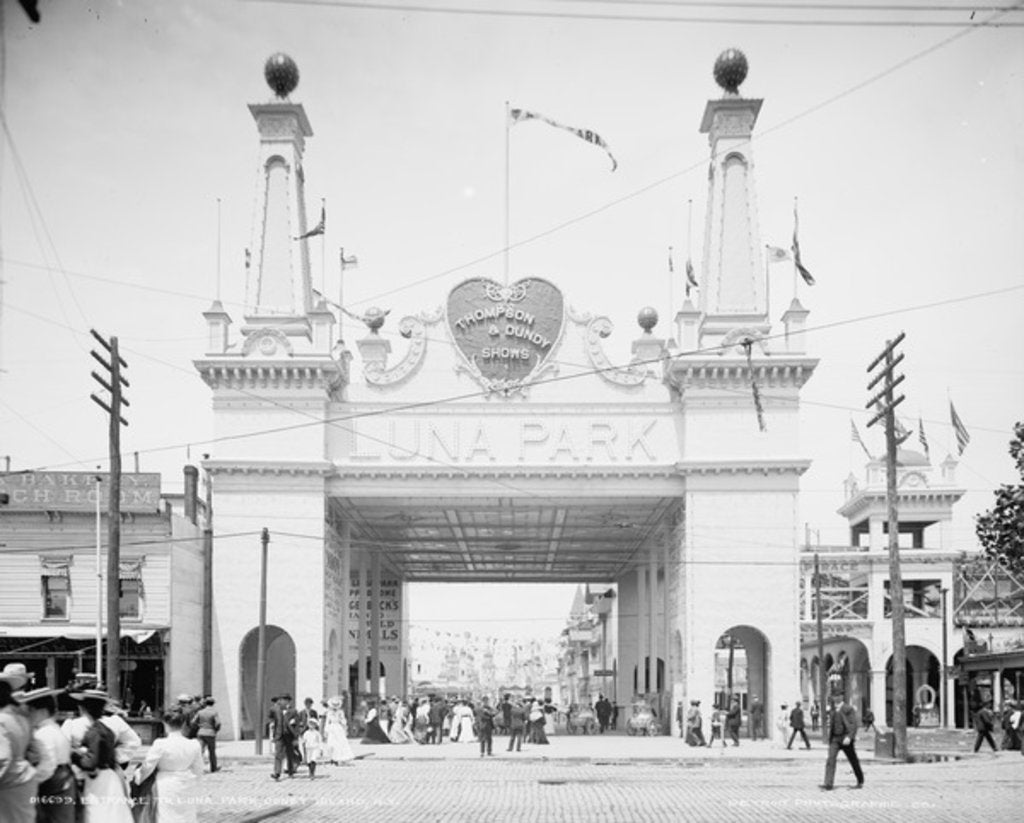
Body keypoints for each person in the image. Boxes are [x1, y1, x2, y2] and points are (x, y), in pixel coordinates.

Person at [69, 688, 134, 823]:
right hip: (108, 776)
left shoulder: (95, 731)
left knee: (98, 814)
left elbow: (90, 762)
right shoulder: (106, 728)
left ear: (84, 709)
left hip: (99, 778)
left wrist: (74, 755)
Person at [135, 708, 204, 823]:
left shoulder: (161, 743)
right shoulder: (194, 744)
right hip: (186, 782)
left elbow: (148, 766)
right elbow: (198, 769)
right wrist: (195, 782)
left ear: (165, 724)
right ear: (183, 724)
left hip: (165, 783)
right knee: (186, 816)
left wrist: (138, 777)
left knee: (166, 816)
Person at [21, 686, 77, 823]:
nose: (29, 715)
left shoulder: (43, 733)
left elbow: (47, 766)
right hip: (65, 780)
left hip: (53, 784)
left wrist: (29, 781)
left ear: (42, 711)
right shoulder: (55, 729)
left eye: (31, 710)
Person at [0, 664, 37, 823]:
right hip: (25, 779)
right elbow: (34, 752)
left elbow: (3, 758)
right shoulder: (21, 717)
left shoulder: (1, 721)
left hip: (9, 784)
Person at [820, 691, 863, 791]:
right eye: (834, 696)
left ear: (842, 697)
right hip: (835, 738)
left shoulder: (848, 709)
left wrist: (849, 736)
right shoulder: (832, 709)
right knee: (831, 759)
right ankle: (828, 784)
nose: (836, 698)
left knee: (853, 760)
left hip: (845, 738)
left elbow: (853, 724)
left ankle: (860, 780)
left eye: (838, 696)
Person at [270, 694, 300, 779]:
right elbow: (271, 717)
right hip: (279, 735)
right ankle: (277, 773)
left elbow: (297, 725)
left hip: (289, 735)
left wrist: (296, 737)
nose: (282, 701)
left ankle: (290, 771)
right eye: (281, 700)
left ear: (288, 701)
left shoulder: (293, 711)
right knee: (278, 754)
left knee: (289, 754)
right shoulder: (276, 710)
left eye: (284, 700)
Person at [322, 697, 355, 765]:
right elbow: (327, 722)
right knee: (331, 744)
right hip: (332, 728)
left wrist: (345, 727)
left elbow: (343, 720)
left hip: (338, 728)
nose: (335, 707)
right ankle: (332, 758)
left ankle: (340, 758)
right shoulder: (329, 712)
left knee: (340, 743)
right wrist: (326, 730)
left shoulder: (340, 712)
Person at [194, 697, 221, 773]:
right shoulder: (214, 712)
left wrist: (199, 726)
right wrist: (215, 730)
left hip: (201, 732)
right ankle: (213, 767)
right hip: (210, 733)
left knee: (200, 751)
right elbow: (218, 723)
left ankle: (197, 768)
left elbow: (193, 722)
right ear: (213, 704)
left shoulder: (200, 712)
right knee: (212, 751)